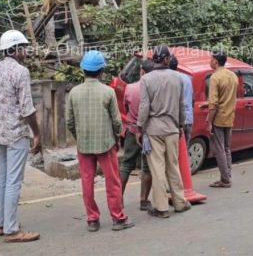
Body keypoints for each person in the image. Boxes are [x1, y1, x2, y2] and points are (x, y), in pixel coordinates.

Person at [0, 30, 41, 243]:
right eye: (23, 47)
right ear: (14, 49)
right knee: (14, 181)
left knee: (3, 179)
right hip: (15, 133)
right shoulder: (21, 71)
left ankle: (2, 223)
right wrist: (37, 134)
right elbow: (27, 108)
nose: (26, 51)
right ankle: (12, 230)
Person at [66, 51, 134, 233]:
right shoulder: (108, 92)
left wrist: (79, 136)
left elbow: (69, 122)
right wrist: (117, 137)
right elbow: (116, 121)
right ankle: (118, 218)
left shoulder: (74, 93)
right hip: (106, 143)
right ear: (101, 70)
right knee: (112, 181)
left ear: (83, 70)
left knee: (87, 182)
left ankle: (92, 219)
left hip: (84, 144)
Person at [138, 45, 191, 218]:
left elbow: (144, 106)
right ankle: (180, 202)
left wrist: (140, 127)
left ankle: (161, 208)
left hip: (154, 129)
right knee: (173, 166)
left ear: (154, 59)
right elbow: (182, 105)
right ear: (167, 59)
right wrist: (181, 126)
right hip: (173, 128)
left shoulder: (146, 79)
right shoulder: (178, 78)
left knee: (157, 169)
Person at [120, 59, 154, 211]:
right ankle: (144, 200)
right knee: (147, 167)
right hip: (149, 131)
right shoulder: (154, 88)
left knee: (127, 164)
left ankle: (118, 199)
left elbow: (126, 107)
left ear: (141, 71)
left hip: (132, 130)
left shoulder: (130, 88)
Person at [206, 50, 238, 188]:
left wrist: (209, 121)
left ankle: (225, 179)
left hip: (219, 117)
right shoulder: (233, 75)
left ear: (216, 61)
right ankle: (227, 175)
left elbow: (213, 104)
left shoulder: (215, 77)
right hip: (230, 115)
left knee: (219, 148)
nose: (210, 61)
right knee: (226, 148)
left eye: (211, 59)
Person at [169, 55, 194, 147]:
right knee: (184, 151)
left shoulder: (170, 79)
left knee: (174, 152)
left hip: (177, 121)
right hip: (188, 119)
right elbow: (192, 98)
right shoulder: (187, 78)